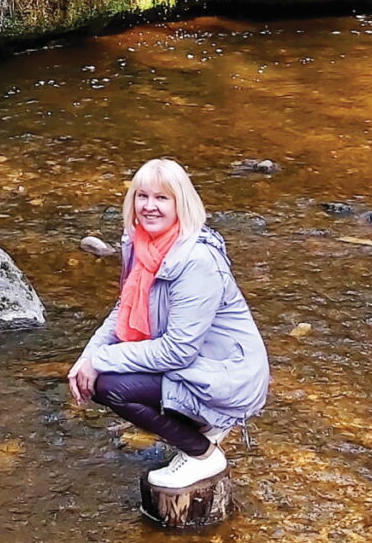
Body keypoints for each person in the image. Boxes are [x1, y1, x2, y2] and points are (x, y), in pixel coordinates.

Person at [67, 158, 269, 489]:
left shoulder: (196, 262)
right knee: (102, 374)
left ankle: (202, 454)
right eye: (142, 196)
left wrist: (99, 361)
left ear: (181, 204)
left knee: (110, 387)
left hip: (228, 376)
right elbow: (123, 309)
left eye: (162, 198)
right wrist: (87, 356)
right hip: (198, 365)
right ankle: (203, 429)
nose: (149, 207)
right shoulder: (139, 242)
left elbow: (178, 352)